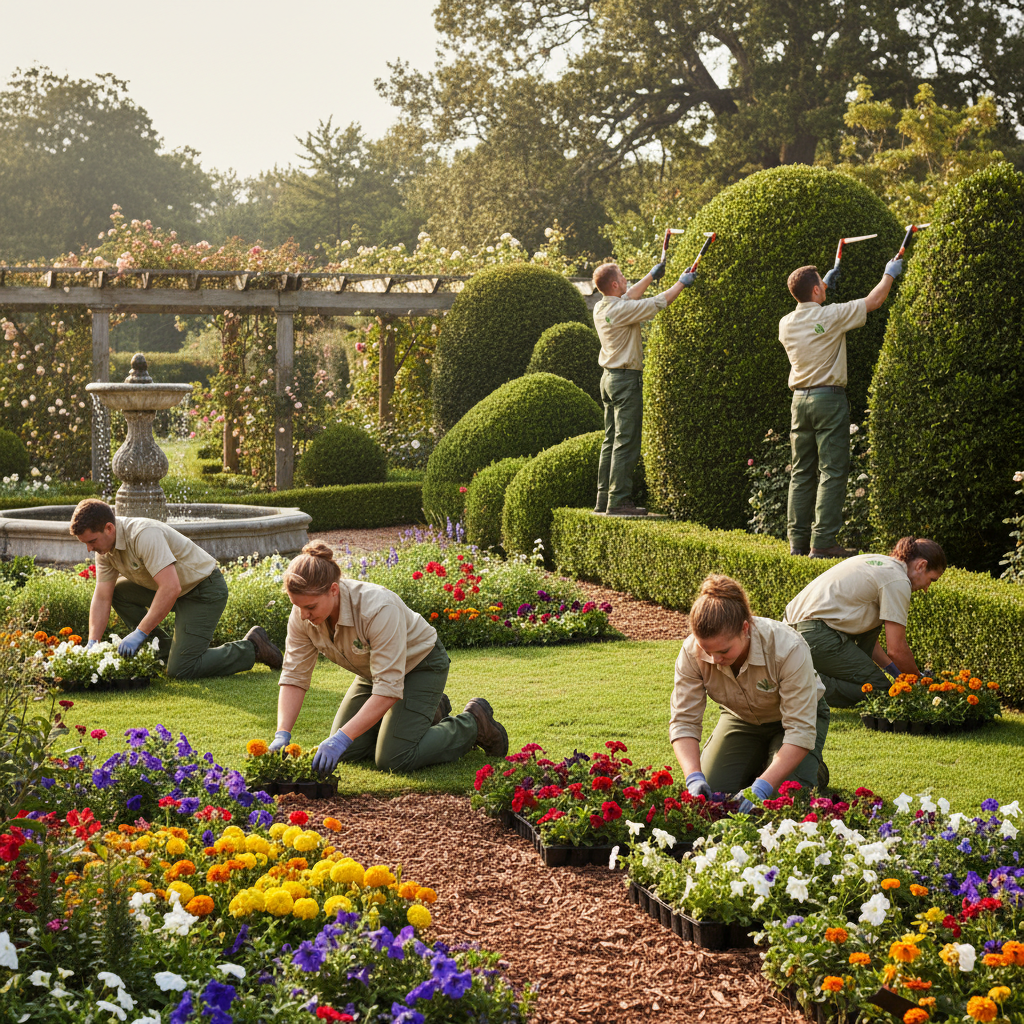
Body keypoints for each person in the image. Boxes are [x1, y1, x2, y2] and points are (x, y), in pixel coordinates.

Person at [268, 542, 508, 774]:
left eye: (310, 607)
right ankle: (426, 713)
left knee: (394, 757)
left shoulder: (377, 608)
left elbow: (388, 689)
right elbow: (294, 676)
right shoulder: (302, 614)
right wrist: (282, 733)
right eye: (297, 606)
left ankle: (474, 724)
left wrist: (342, 738)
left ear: (333, 589)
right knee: (348, 751)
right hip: (375, 672)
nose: (303, 615)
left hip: (421, 665)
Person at [70, 497, 282, 678]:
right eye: (86, 543)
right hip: (172, 589)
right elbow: (102, 596)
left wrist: (140, 632)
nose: (89, 549)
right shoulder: (105, 549)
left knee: (181, 669)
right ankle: (165, 653)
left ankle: (253, 647)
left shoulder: (144, 535)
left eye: (92, 541)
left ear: (109, 528)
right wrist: (93, 642)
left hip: (203, 591)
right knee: (118, 592)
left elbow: (171, 588)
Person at [670, 574, 829, 813]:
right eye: (706, 650)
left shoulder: (788, 648)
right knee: (713, 791)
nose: (714, 659)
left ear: (745, 628)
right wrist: (693, 777)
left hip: (794, 722)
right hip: (741, 718)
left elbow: (800, 730)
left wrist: (763, 786)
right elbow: (684, 721)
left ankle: (812, 768)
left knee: (781, 799)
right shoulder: (691, 651)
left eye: (724, 650)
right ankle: (763, 763)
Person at [780, 258, 902, 558]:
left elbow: (812, 314)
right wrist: (889, 273)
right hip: (828, 400)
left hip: (799, 402)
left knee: (801, 472)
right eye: (821, 285)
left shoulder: (785, 323)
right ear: (816, 290)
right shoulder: (832, 315)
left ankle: (797, 543)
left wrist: (821, 288)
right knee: (832, 470)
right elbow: (875, 300)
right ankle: (823, 543)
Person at [783, 536, 946, 709]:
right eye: (931, 580)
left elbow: (870, 644)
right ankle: (798, 687)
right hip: (816, 635)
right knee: (880, 690)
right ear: (921, 565)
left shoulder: (876, 562)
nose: (926, 588)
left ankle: (798, 680)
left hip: (792, 632)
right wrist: (920, 683)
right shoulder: (898, 580)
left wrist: (898, 675)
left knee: (876, 675)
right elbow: (896, 649)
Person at [591, 260, 694, 517]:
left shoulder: (602, 306)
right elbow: (658, 302)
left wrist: (650, 276)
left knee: (610, 440)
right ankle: (619, 501)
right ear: (614, 284)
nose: (626, 280)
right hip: (625, 380)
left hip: (609, 379)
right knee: (626, 441)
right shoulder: (621, 310)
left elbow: (628, 297)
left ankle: (603, 499)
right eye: (622, 277)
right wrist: (681, 283)